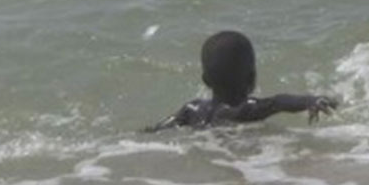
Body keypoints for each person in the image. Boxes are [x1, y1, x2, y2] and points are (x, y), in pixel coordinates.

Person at [144, 31, 338, 131]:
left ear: (205, 80)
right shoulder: (246, 110)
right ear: (252, 77)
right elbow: (279, 102)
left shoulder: (192, 110)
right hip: (243, 167)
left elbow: (158, 130)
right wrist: (310, 101)